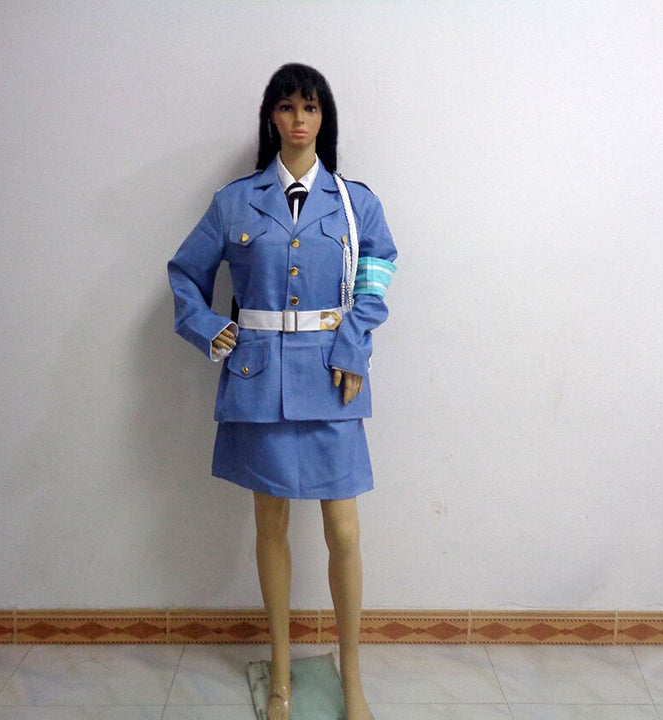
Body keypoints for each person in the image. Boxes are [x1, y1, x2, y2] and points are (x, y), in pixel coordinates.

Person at [168, 63, 396, 720]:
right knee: (269, 525)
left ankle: (353, 676)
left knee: (343, 532)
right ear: (272, 116)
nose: (299, 119)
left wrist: (353, 344)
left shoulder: (355, 202)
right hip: (259, 381)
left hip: (331, 378)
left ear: (325, 118)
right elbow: (185, 274)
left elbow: (378, 270)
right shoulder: (236, 202)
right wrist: (208, 327)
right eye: (288, 106)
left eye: (311, 107)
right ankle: (282, 674)